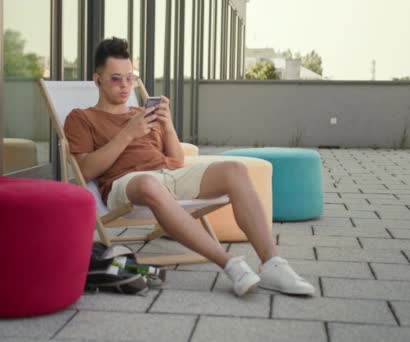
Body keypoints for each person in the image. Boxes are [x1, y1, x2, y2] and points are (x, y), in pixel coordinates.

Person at [64, 37, 314, 296]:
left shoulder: (142, 114)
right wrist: (128, 133)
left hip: (167, 176)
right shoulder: (81, 118)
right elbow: (85, 171)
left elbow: (175, 161)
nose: (125, 86)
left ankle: (272, 264)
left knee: (235, 170)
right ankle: (229, 263)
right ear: (97, 79)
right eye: (116, 78)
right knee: (150, 183)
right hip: (126, 184)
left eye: (130, 77)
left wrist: (168, 125)